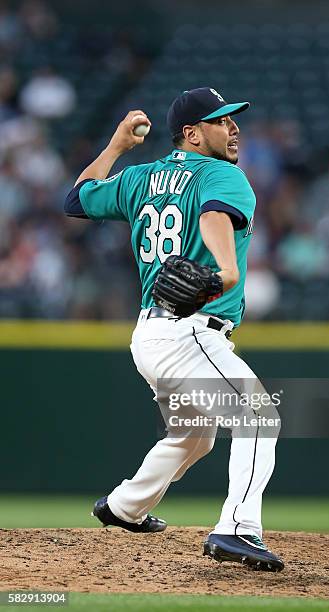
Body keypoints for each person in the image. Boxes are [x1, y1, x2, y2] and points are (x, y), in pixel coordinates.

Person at [64, 87, 284, 572]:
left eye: (232, 120)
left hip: (149, 336)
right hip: (190, 333)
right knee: (260, 418)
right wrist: (226, 269)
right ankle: (237, 528)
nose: (234, 129)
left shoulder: (138, 177)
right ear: (192, 133)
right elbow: (214, 215)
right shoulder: (221, 174)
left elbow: (77, 199)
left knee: (194, 433)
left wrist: (116, 148)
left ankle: (125, 506)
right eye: (222, 121)